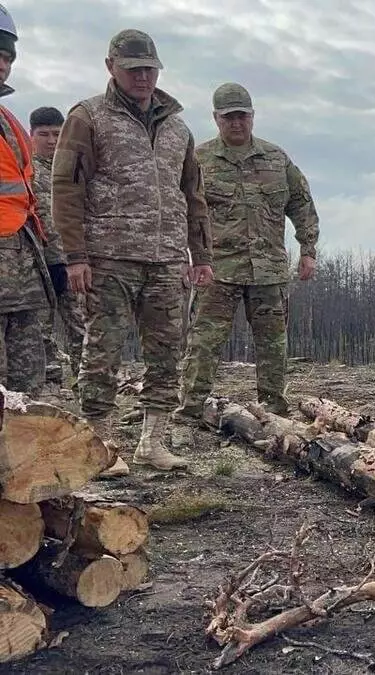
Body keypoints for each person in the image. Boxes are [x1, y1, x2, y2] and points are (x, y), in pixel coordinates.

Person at [52, 29, 213, 474]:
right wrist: (76, 255)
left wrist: (201, 256)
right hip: (108, 257)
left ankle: (152, 442)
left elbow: (193, 195)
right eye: (133, 69)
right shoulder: (87, 117)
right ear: (111, 68)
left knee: (167, 351)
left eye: (150, 69)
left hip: (165, 259)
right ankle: (100, 444)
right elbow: (66, 189)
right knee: (102, 350)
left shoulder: (177, 126)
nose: (143, 77)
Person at [177, 82, 319, 419]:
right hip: (217, 270)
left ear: (252, 116)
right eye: (229, 117)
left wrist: (308, 248)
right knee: (204, 340)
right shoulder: (199, 160)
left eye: (242, 116)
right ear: (216, 118)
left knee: (272, 344)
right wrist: (186, 256)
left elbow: (301, 203)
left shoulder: (275, 158)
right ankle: (191, 407)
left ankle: (272, 409)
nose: (236, 123)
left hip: (267, 270)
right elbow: (180, 209)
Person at [0, 5, 54, 395]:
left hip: (20, 265)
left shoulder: (10, 121)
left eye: (8, 56)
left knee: (25, 385)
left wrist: (51, 260)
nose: (3, 64)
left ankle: (27, 453)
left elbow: (27, 199)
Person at [30, 106, 82, 386]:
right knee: (41, 329)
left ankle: (86, 385)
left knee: (80, 326)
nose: (51, 140)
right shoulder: (26, 172)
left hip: (74, 261)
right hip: (38, 263)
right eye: (44, 134)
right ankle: (50, 385)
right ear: (31, 136)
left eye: (57, 134)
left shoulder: (75, 171)